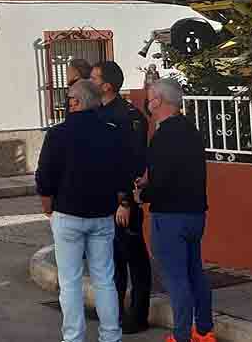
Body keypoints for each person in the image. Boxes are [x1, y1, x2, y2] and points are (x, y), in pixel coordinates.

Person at [36, 80, 130, 342]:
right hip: (102, 215)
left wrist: (47, 206)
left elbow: (45, 175)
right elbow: (122, 173)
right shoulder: (111, 132)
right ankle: (111, 335)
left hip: (67, 214)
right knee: (104, 279)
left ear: (76, 102)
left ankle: (74, 337)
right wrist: (119, 200)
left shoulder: (58, 134)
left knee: (70, 282)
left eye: (69, 99)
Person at [135, 79, 215, 342]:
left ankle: (181, 336)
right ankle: (204, 331)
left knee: (176, 279)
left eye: (150, 97)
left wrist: (141, 195)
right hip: (195, 213)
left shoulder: (162, 136)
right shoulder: (191, 130)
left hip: (169, 216)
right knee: (195, 273)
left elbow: (161, 180)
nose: (148, 103)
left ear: (158, 101)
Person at [93, 61, 153, 334]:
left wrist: (125, 202)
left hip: (123, 201)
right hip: (103, 200)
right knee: (112, 260)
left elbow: (133, 163)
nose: (90, 82)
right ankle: (113, 312)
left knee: (134, 257)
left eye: (94, 78)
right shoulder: (96, 113)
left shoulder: (129, 117)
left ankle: (139, 315)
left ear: (107, 86)